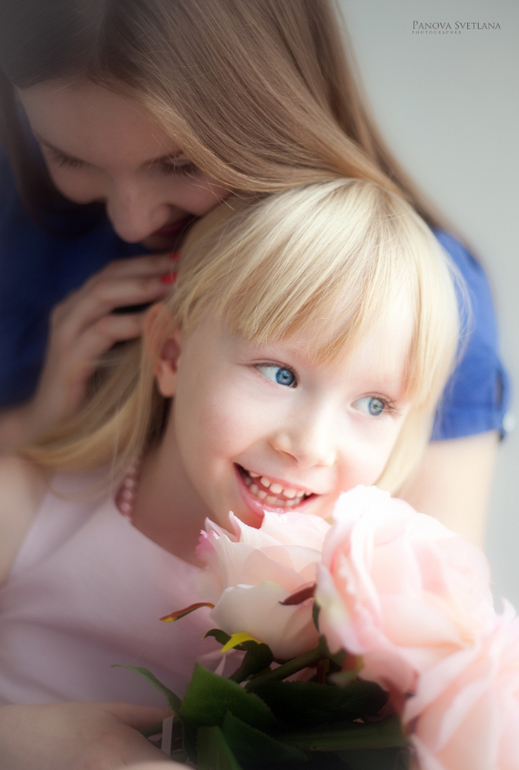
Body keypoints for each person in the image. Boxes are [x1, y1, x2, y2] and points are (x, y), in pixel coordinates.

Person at [0, 0, 507, 540]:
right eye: (70, 159)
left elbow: (421, 578)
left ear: (275, 116)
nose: (131, 221)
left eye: (181, 165)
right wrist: (31, 428)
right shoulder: (19, 200)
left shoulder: (413, 296)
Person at [0, 179, 460, 768]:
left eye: (374, 404)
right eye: (279, 373)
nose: (310, 447)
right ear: (171, 355)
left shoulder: (349, 631)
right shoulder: (23, 508)